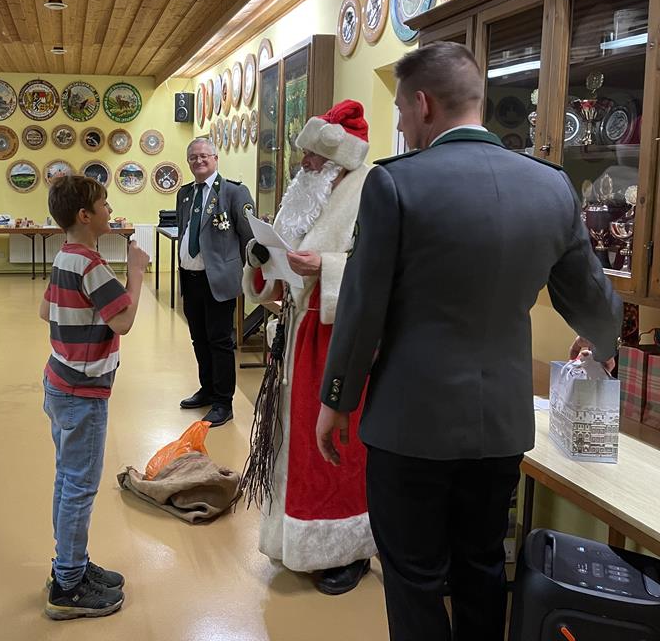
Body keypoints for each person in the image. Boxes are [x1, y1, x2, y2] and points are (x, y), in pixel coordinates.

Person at [316, 42, 623, 641]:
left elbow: (362, 307)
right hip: (501, 426)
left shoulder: (394, 183)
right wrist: (602, 343)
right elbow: (594, 303)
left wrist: (336, 399)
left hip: (410, 425)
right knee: (483, 566)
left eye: (401, 110)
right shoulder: (552, 186)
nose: (401, 122)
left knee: (414, 577)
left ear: (424, 104)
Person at [241, 99, 376, 595]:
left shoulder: (371, 190)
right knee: (293, 445)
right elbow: (280, 273)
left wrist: (326, 267)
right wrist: (262, 257)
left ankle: (347, 549)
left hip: (339, 340)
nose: (304, 164)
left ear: (337, 159)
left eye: (313, 156)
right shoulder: (306, 193)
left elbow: (383, 270)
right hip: (297, 335)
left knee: (334, 447)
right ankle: (294, 540)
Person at [38, 175, 150, 620]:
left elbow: (45, 310)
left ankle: (71, 564)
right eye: (104, 204)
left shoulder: (65, 256)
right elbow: (123, 321)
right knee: (80, 487)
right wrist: (136, 271)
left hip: (59, 381)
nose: (110, 210)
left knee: (67, 480)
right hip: (82, 393)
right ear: (85, 215)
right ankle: (68, 586)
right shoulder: (91, 264)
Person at [176, 137, 254, 427]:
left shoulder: (233, 192)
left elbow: (249, 237)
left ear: (215, 158)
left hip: (218, 281)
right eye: (193, 157)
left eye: (204, 156)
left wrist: (248, 274)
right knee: (199, 339)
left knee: (220, 341)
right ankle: (207, 389)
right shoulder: (185, 194)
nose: (198, 161)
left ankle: (223, 402)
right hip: (190, 277)